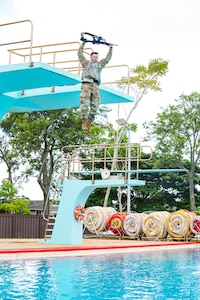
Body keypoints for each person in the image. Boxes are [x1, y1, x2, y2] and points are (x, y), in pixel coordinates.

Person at [78, 41, 113, 131]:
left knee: (95, 104)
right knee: (85, 104)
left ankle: (89, 121)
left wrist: (110, 48)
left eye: (97, 57)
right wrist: (83, 44)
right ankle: (84, 121)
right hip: (87, 84)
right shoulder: (86, 63)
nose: (95, 58)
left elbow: (107, 59)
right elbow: (80, 54)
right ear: (91, 57)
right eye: (94, 57)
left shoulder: (99, 64)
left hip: (95, 85)